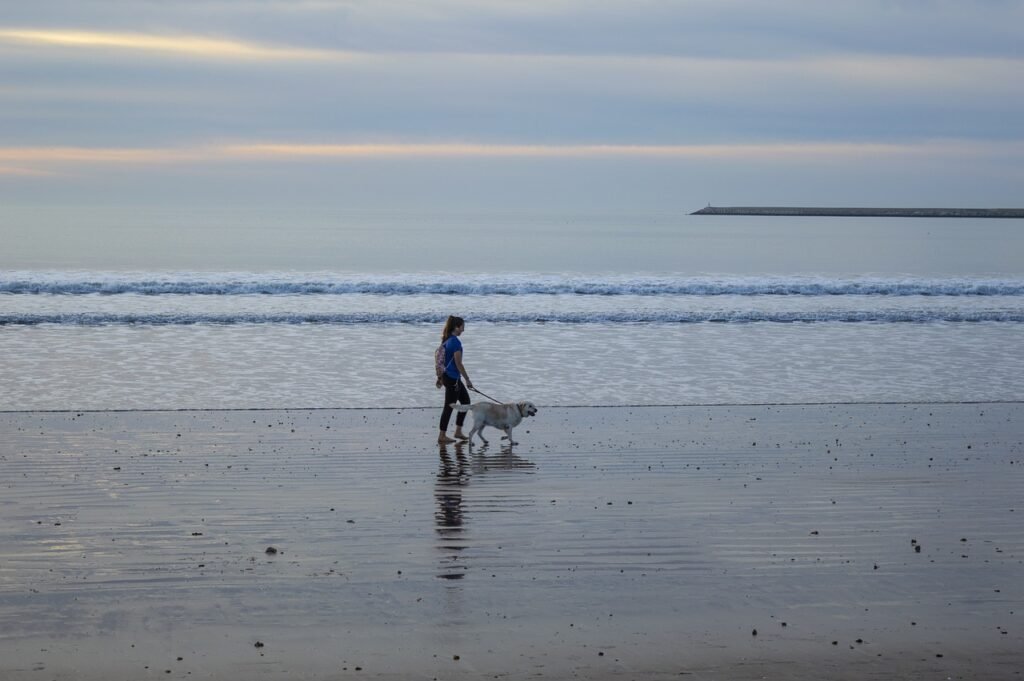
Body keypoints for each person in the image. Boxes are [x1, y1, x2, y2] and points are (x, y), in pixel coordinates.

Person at [437, 316, 474, 444]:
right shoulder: (455, 342)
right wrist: (468, 380)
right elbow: (459, 364)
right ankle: (442, 436)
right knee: (449, 407)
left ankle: (458, 431)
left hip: (450, 377)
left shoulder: (447, 340)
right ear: (457, 327)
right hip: (453, 378)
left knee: (465, 401)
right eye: (463, 326)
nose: (463, 329)